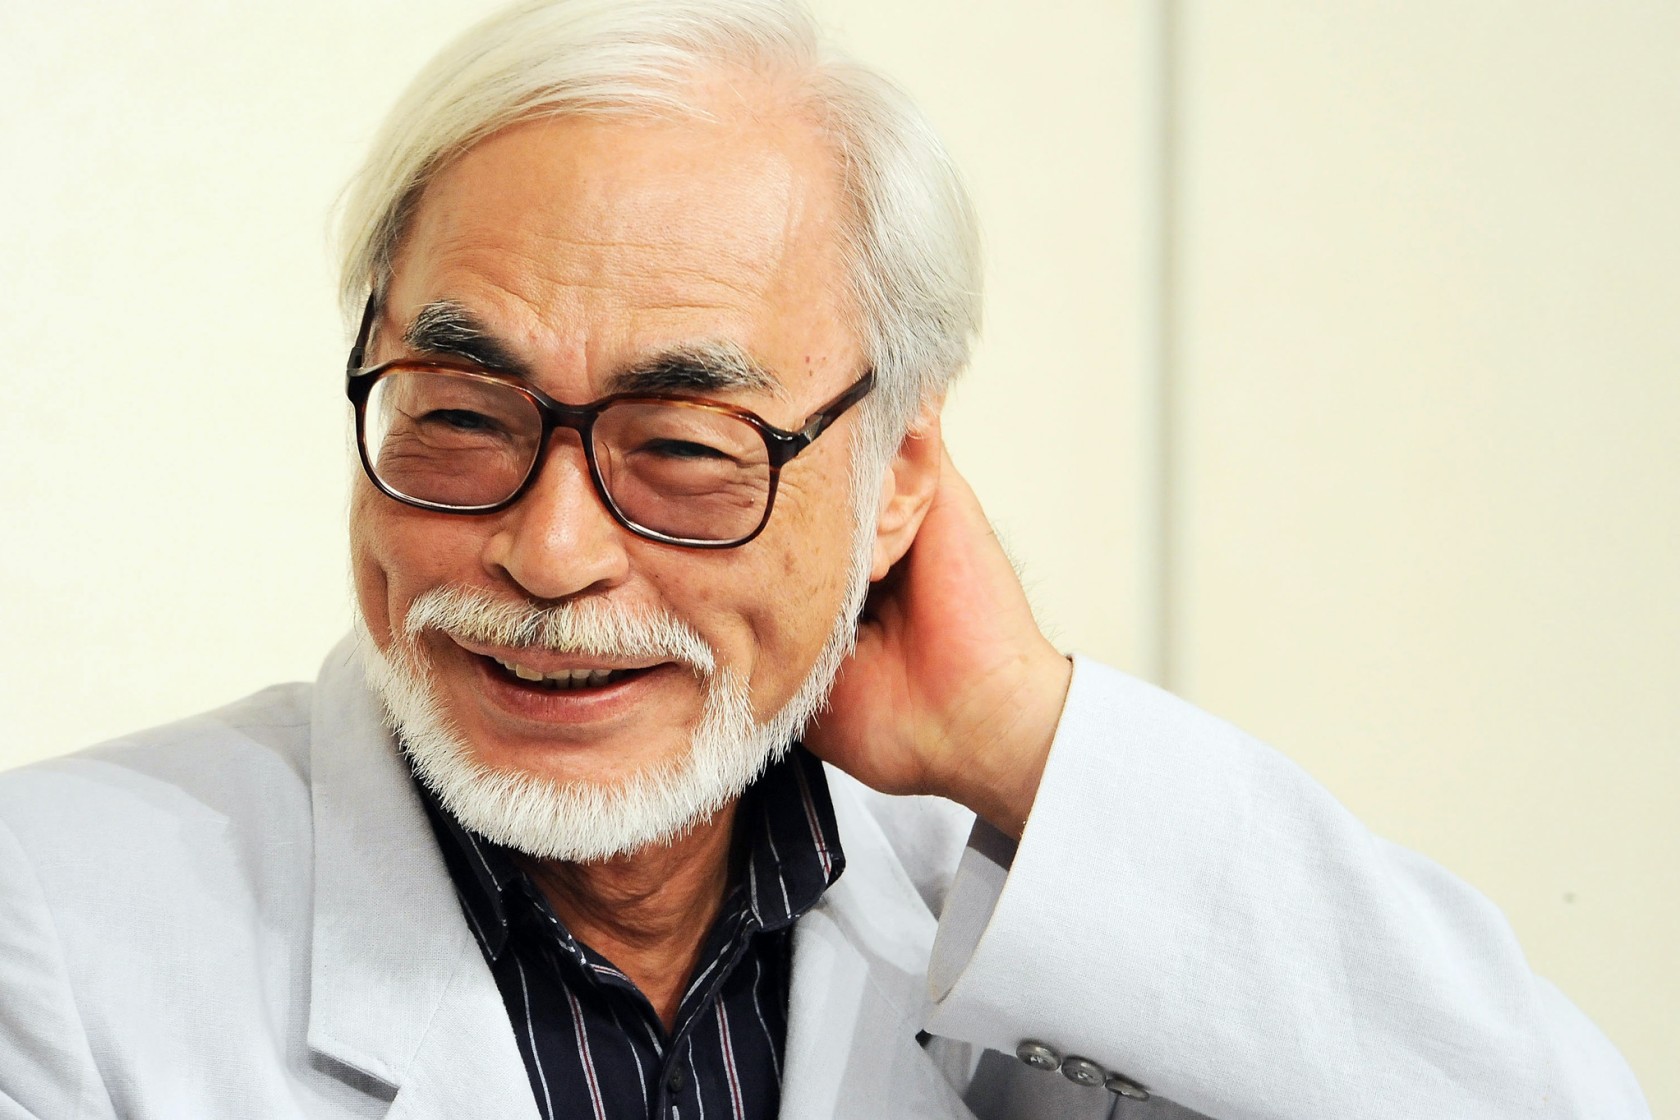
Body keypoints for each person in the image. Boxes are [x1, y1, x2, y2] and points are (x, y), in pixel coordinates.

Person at [0, 2, 1650, 1118]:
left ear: (898, 478)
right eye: (460, 415)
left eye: (684, 447)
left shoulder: (1026, 915)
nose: (550, 553)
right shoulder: (58, 926)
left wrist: (1025, 731)